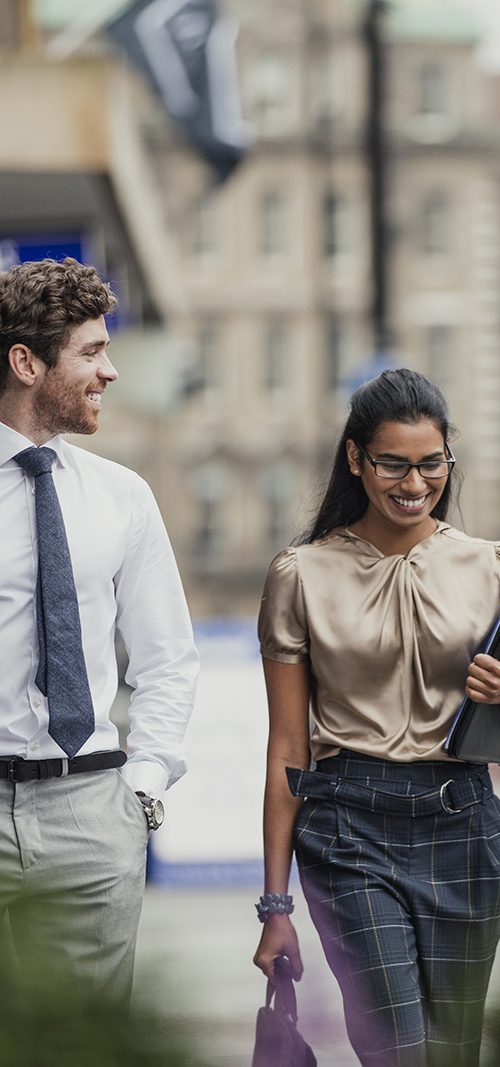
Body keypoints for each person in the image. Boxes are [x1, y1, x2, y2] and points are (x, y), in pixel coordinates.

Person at [253, 368, 500, 1067]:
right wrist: (275, 905)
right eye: (394, 463)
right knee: (396, 1051)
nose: (415, 482)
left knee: (454, 1053)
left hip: (465, 826)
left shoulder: (497, 567)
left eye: (431, 464)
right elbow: (287, 749)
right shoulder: (300, 574)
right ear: (356, 458)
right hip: (347, 831)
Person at [0, 257, 198, 1002]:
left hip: (90, 811)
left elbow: (168, 658)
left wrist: (143, 788)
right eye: (91, 351)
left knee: (82, 1045)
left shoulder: (123, 498)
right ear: (26, 362)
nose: (110, 370)